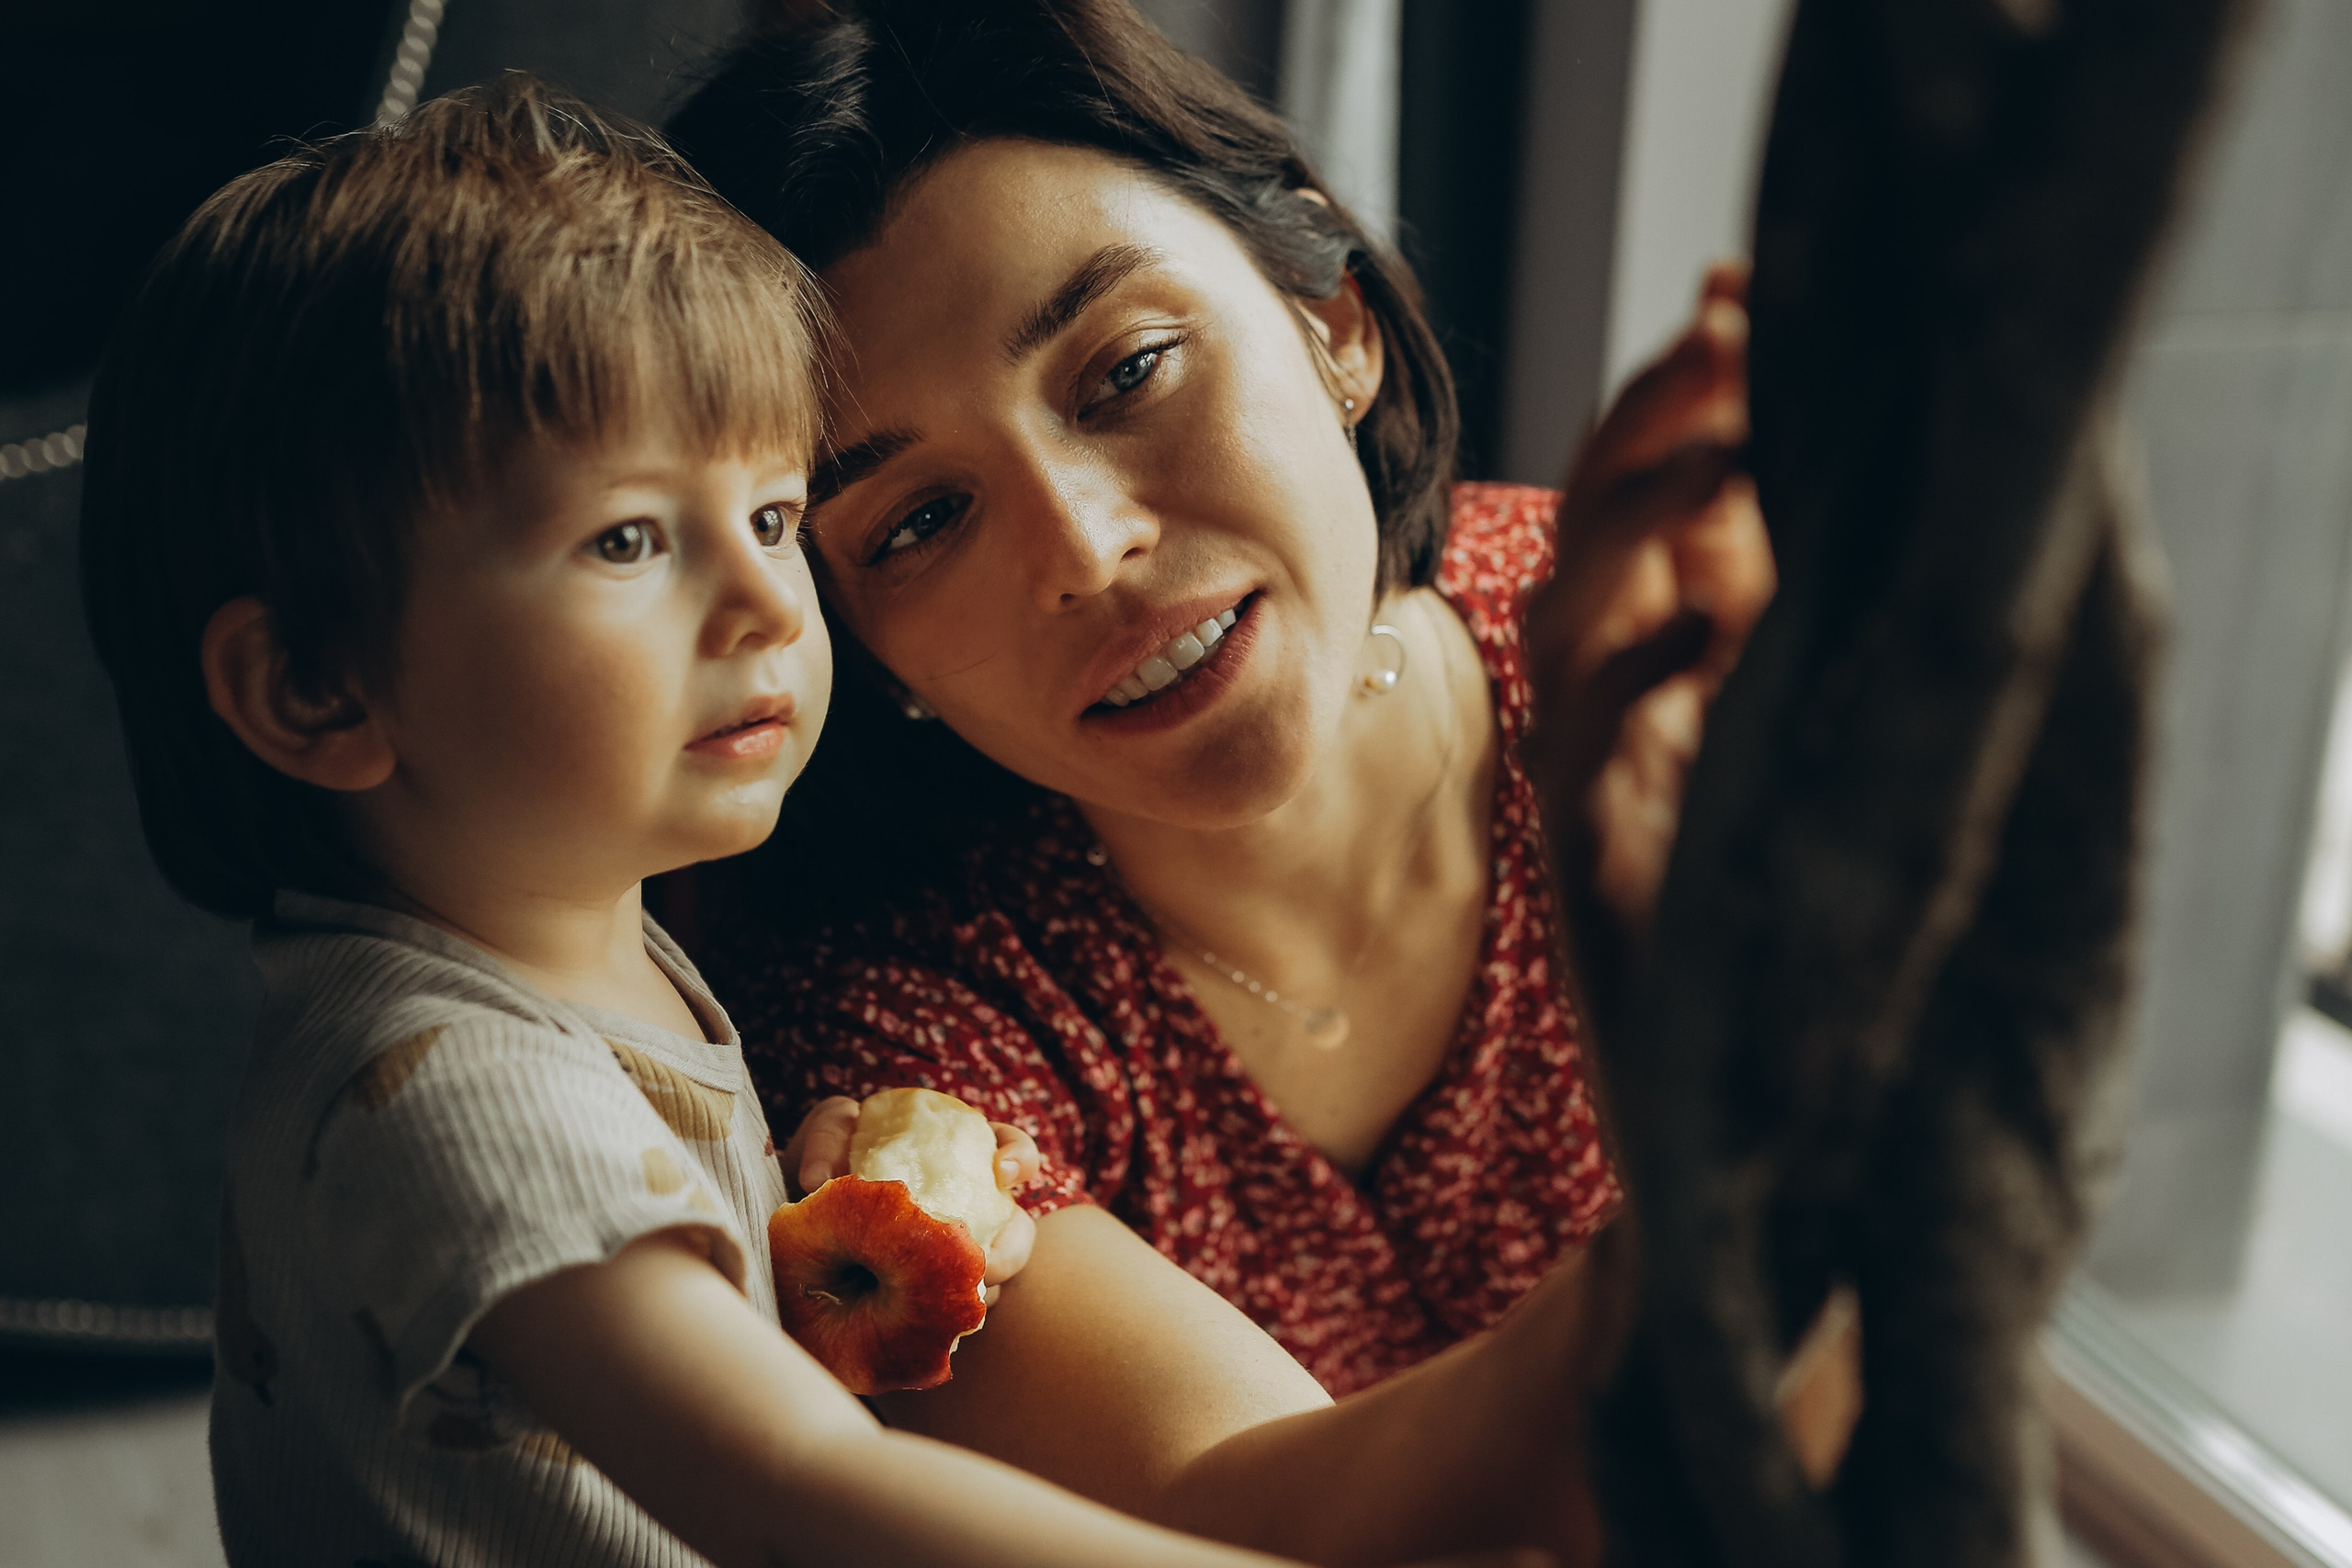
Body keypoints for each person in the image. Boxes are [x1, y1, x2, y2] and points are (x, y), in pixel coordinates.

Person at [75, 73, 1534, 1568]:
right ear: (315, 689)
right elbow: (806, 1493)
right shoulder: (450, 1094)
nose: (777, 600)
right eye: (631, 538)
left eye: (776, 521)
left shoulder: (579, 962)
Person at [666, 0, 1810, 1555]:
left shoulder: (1650, 660)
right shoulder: (890, 1017)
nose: (1086, 550)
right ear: (855, 639)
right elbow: (1246, 1516)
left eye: (1124, 369)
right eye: (919, 522)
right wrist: (1715, 1170)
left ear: (1333, 320)